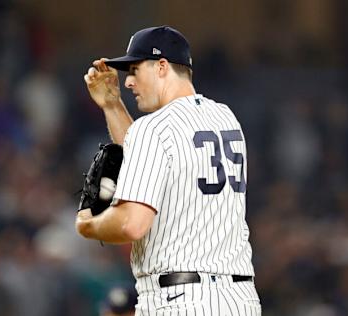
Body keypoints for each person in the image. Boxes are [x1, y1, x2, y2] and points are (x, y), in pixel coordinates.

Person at [76, 25, 261, 315]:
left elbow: (131, 224)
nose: (128, 82)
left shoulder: (155, 128)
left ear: (161, 66)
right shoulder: (225, 117)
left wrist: (89, 224)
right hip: (238, 299)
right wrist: (112, 105)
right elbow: (149, 156)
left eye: (135, 70)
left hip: (182, 299)